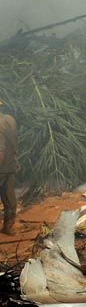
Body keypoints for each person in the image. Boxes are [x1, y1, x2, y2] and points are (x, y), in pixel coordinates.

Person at [0, 98, 18, 235]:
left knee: (9, 199)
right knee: (10, 199)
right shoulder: (10, 120)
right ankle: (8, 227)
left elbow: (1, 148)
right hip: (10, 165)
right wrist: (15, 161)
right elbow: (15, 143)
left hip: (1, 167)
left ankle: (7, 228)